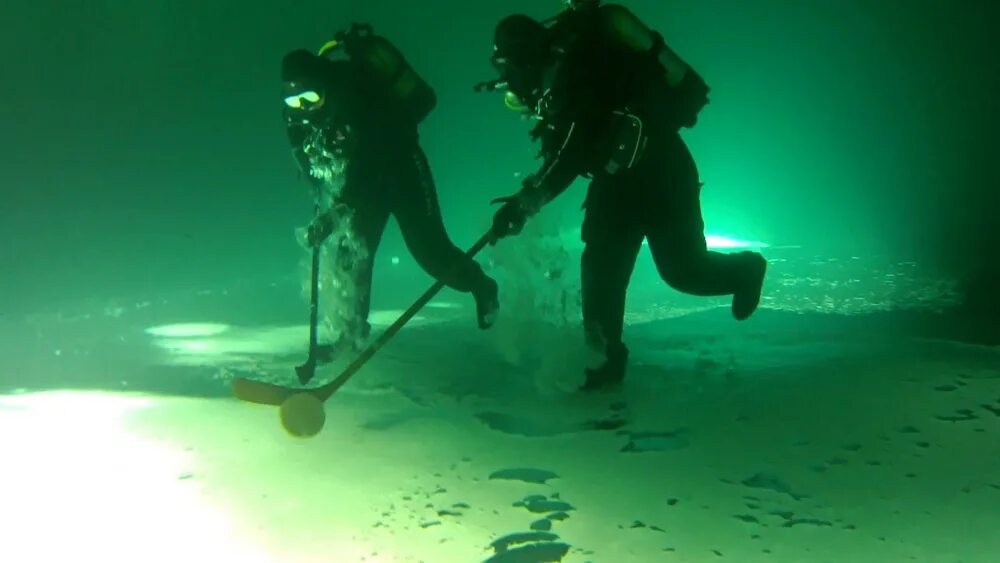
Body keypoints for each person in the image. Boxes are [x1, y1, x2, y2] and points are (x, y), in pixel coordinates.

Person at [482, 2, 767, 390]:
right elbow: (567, 151)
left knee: (683, 272)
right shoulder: (562, 73)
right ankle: (604, 362)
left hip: (662, 170)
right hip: (618, 180)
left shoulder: (574, 70)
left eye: (508, 69)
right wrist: (524, 201)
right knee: (601, 272)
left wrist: (521, 206)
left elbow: (568, 155)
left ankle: (746, 270)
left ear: (522, 57)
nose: (511, 83)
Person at [281, 26, 499, 354]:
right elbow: (307, 159)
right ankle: (351, 336)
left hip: (401, 168)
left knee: (431, 253)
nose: (303, 106)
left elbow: (374, 153)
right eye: (294, 100)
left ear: (323, 83)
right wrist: (320, 189)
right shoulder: (297, 117)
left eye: (310, 97)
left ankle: (481, 285)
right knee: (350, 257)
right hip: (360, 186)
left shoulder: (354, 91)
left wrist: (338, 209)